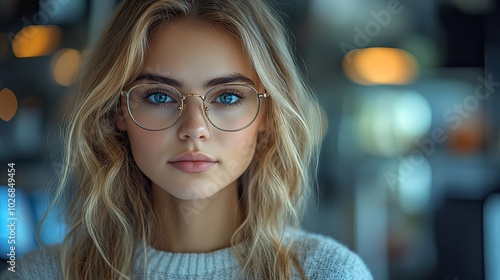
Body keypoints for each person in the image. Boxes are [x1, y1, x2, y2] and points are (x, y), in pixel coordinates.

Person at [1, 0, 372, 279]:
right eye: (159, 97)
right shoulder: (42, 274)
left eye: (228, 97)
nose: (194, 128)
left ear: (267, 117)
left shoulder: (327, 273)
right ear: (117, 112)